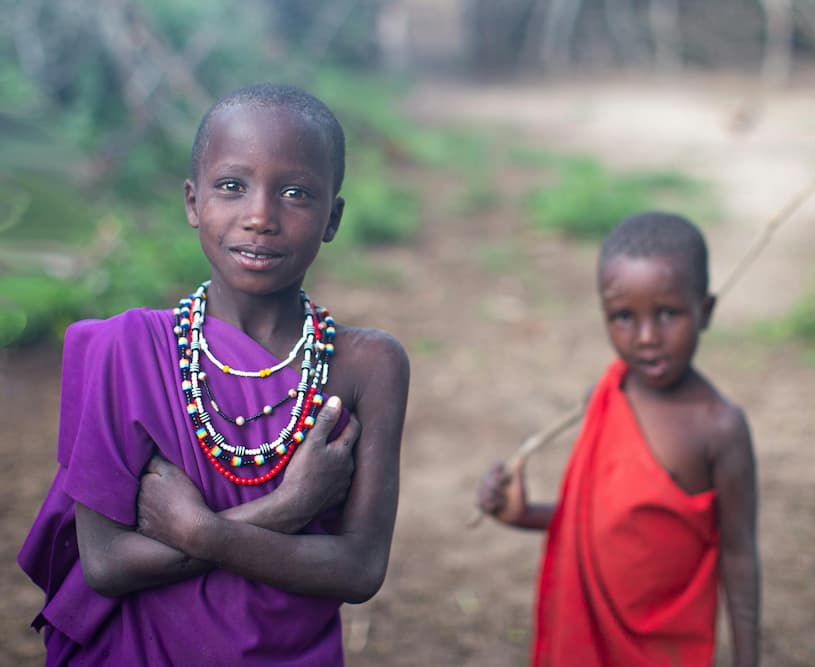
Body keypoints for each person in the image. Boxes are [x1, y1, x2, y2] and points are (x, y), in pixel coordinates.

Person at [18, 83, 410, 666]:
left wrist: (203, 532)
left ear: (333, 218)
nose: (259, 217)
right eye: (231, 186)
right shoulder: (126, 351)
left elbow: (359, 569)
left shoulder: (368, 365)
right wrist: (287, 507)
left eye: (296, 193)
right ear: (192, 201)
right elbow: (105, 563)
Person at [478, 212, 759, 667]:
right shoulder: (608, 395)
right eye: (624, 317)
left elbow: (740, 555)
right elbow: (600, 526)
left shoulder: (719, 428)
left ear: (704, 311)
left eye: (668, 314)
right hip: (583, 640)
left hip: (665, 647)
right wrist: (523, 514)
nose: (647, 338)